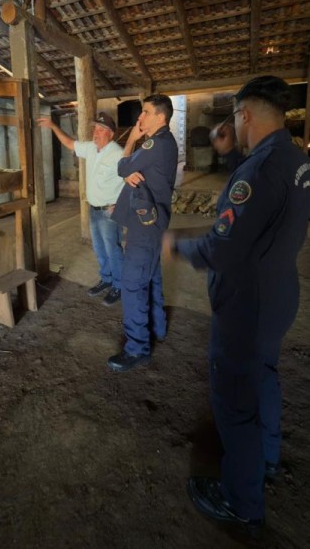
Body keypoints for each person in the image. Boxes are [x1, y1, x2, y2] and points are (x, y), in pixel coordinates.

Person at [162, 75, 310, 536]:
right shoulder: (296, 159)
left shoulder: (257, 173)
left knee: (232, 402)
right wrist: (230, 156)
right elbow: (262, 209)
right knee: (263, 376)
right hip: (280, 293)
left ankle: (242, 502)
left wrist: (177, 246)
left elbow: (222, 248)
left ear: (244, 114)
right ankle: (266, 459)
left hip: (247, 304)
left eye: (236, 120)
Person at [107, 94, 178, 372]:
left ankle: (137, 349)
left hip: (144, 228)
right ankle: (158, 328)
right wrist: (129, 171)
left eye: (146, 112)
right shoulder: (164, 143)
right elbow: (131, 171)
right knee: (151, 277)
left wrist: (131, 141)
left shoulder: (155, 143)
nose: (140, 117)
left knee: (132, 284)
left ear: (161, 117)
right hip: (152, 224)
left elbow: (122, 166)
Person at [37, 111, 124, 305]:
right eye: (95, 128)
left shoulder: (118, 154)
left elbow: (133, 180)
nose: (96, 132)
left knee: (113, 249)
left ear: (110, 133)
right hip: (94, 209)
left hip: (110, 213)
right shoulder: (91, 148)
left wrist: (121, 204)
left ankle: (119, 285)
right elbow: (69, 143)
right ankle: (107, 279)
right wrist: (53, 126)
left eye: (101, 129)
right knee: (99, 248)